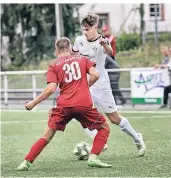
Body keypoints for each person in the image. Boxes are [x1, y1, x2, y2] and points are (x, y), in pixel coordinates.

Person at [17, 37, 112, 171]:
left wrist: (32, 103)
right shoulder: (83, 60)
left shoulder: (53, 65)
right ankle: (94, 157)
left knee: (47, 136)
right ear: (70, 48)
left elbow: (51, 89)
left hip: (63, 106)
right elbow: (95, 75)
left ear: (56, 51)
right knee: (104, 128)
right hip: (83, 104)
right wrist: (85, 86)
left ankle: (26, 162)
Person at [71, 14, 146, 156]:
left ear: (95, 27)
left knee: (114, 119)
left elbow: (110, 52)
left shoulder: (102, 41)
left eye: (87, 29)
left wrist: (104, 43)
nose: (84, 32)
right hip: (85, 84)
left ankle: (137, 137)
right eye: (83, 29)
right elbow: (73, 56)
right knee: (79, 113)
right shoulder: (79, 40)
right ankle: (99, 141)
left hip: (101, 85)